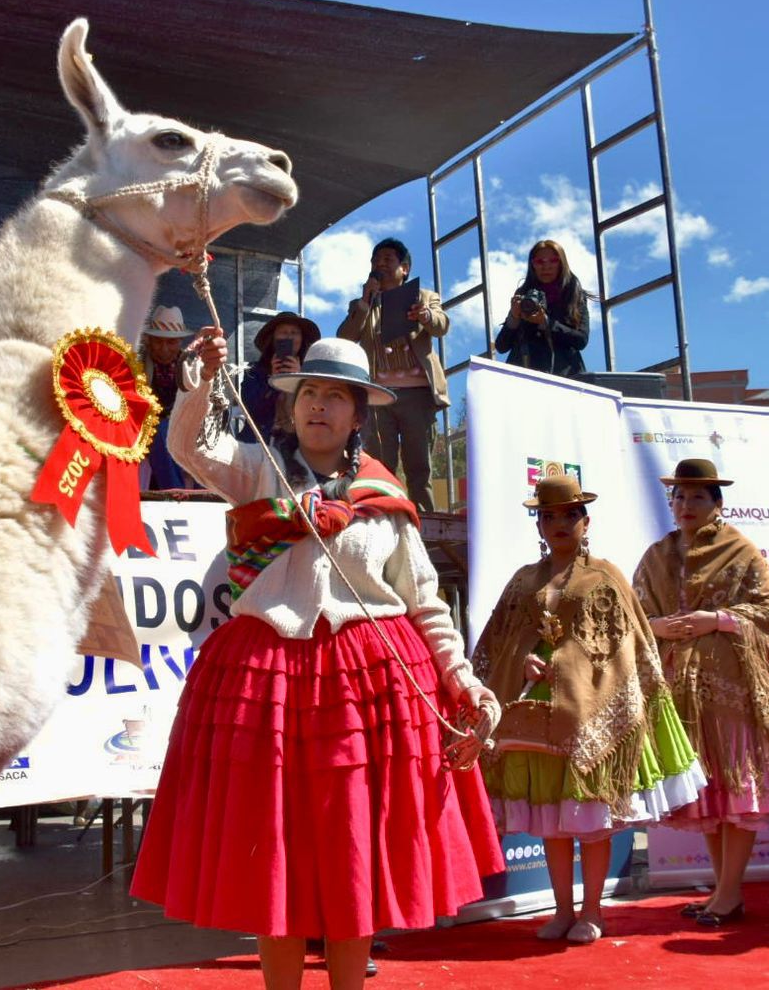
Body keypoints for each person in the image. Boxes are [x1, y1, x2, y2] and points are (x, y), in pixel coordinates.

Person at [131, 334, 502, 990]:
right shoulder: (255, 470)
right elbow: (187, 449)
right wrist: (199, 384)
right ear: (291, 405)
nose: (319, 406)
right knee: (273, 849)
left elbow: (424, 602)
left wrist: (462, 679)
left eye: (336, 395)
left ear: (359, 413)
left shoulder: (384, 498)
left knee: (351, 850)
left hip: (371, 685)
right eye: (309, 393)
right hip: (265, 680)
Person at [473, 474, 704, 944]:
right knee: (552, 821)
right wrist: (523, 659)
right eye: (548, 515)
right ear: (538, 524)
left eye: (568, 515)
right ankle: (562, 910)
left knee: (591, 822)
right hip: (534, 711)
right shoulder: (523, 579)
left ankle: (593, 910)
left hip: (590, 711)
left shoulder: (605, 576)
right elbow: (499, 641)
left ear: (586, 521)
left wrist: (570, 666)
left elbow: (623, 646)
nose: (558, 523)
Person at [632, 458, 769, 927]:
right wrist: (660, 627)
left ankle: (729, 893)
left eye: (697, 497)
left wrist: (716, 620)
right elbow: (632, 618)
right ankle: (722, 890)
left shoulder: (740, 548)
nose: (686, 504)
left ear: (717, 504)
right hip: (680, 688)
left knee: (736, 788)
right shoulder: (656, 555)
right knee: (707, 794)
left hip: (735, 683)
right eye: (680, 496)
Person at [337, 237, 449, 513]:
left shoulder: (425, 297)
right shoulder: (363, 304)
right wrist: (364, 302)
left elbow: (442, 325)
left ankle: (425, 523)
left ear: (405, 268)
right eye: (376, 261)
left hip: (417, 394)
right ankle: (381, 518)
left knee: (418, 465)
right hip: (378, 396)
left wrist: (423, 316)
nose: (380, 265)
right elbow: (345, 337)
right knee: (378, 463)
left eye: (388, 260)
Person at [492, 239, 590, 378]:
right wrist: (514, 318)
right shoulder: (524, 295)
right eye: (540, 262)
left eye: (553, 261)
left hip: (565, 378)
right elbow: (501, 346)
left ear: (561, 263)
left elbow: (581, 340)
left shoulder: (574, 294)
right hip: (525, 378)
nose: (546, 267)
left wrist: (546, 323)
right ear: (533, 265)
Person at [237, 310, 319, 441]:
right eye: (283, 332)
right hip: (257, 444)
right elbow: (250, 408)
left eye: (294, 333)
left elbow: (316, 411)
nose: (289, 337)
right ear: (273, 339)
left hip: (296, 446)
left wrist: (298, 381)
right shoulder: (255, 371)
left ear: (302, 339)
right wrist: (272, 382)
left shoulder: (313, 373)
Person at [138, 305, 194, 490]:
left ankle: (201, 495)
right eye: (158, 341)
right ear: (149, 340)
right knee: (160, 431)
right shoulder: (136, 364)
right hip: (145, 430)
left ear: (180, 342)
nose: (164, 348)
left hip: (183, 430)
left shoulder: (191, 367)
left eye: (171, 342)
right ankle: (174, 492)